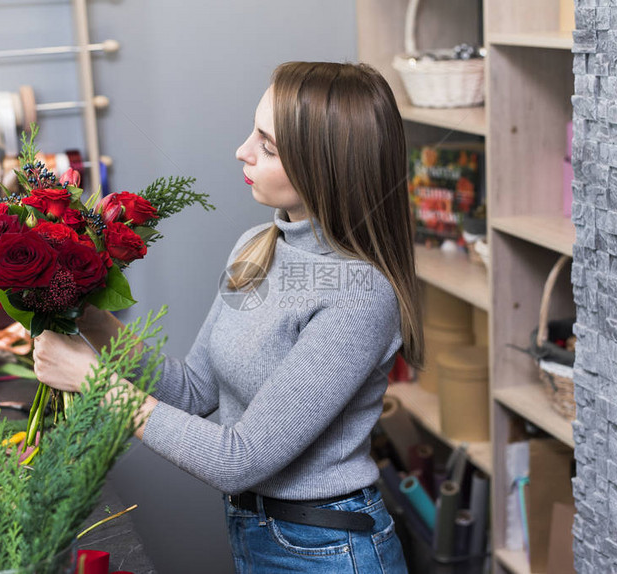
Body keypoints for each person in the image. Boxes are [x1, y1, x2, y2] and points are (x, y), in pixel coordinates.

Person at [33, 61, 424, 573]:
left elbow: (238, 460)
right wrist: (92, 319)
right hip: (256, 532)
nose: (242, 151)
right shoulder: (256, 248)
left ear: (325, 165)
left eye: (268, 145)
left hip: (329, 551)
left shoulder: (361, 295)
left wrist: (94, 381)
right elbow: (194, 390)